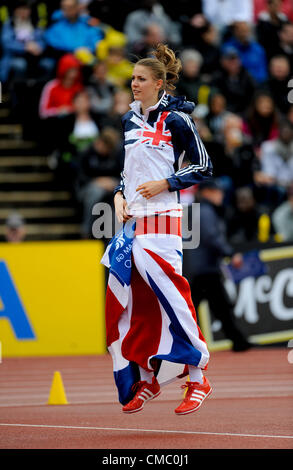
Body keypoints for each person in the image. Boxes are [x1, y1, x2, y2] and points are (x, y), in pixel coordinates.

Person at [101, 43, 213, 416]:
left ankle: (198, 373)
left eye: (141, 79)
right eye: (132, 78)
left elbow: (203, 166)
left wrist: (166, 182)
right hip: (132, 222)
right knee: (137, 305)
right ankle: (148, 375)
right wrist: (118, 195)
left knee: (171, 293)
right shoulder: (128, 121)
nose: (134, 84)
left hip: (164, 219)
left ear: (160, 84)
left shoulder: (177, 120)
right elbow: (128, 172)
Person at [185, 180, 252, 352]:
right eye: (218, 192)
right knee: (218, 307)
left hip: (199, 268)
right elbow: (212, 237)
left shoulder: (198, 209)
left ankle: (238, 341)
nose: (221, 195)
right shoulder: (206, 211)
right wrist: (230, 253)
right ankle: (238, 342)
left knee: (204, 307)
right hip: (205, 269)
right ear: (207, 192)